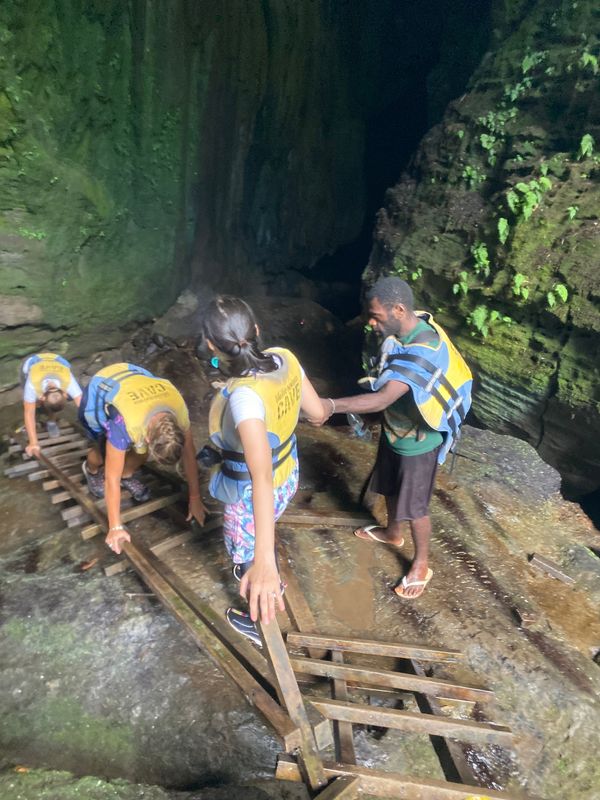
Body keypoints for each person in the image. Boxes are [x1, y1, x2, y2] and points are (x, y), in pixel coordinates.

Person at [321, 276, 472, 599]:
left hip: (419, 442)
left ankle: (421, 563)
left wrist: (329, 405)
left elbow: (381, 399)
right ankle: (392, 532)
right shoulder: (409, 327)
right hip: (397, 431)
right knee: (389, 484)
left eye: (376, 316)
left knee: (416, 507)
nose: (370, 323)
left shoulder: (423, 352)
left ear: (399, 309)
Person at [201, 295, 325, 645]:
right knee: (259, 543)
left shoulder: (244, 399)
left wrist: (265, 560)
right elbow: (316, 414)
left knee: (247, 558)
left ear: (211, 344)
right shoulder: (287, 359)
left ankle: (258, 622)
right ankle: (262, 568)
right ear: (256, 329)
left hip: (253, 495)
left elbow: (260, 480)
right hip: (289, 474)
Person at [79, 362, 206, 553]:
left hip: (135, 376)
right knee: (104, 456)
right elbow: (111, 479)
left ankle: (128, 474)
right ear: (147, 438)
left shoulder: (179, 411)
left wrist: (195, 497)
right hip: (101, 387)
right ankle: (91, 470)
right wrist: (115, 527)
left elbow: (189, 454)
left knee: (139, 452)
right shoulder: (124, 423)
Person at [21, 352, 83, 457]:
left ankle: (51, 421)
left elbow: (84, 408)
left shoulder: (69, 381)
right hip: (32, 363)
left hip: (56, 361)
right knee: (30, 403)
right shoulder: (32, 384)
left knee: (49, 404)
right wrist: (33, 442)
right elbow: (29, 413)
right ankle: (39, 407)